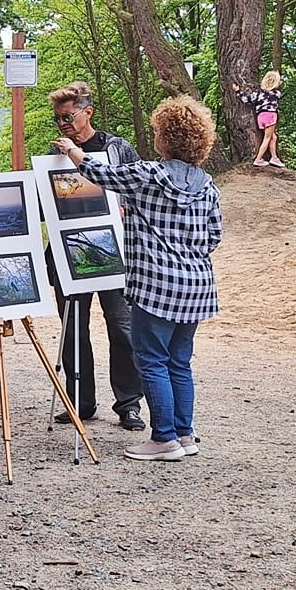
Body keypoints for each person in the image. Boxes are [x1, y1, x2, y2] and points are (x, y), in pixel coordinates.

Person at [65, 96, 222, 462]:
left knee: (151, 361)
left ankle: (163, 438)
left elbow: (102, 175)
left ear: (166, 139)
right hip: (196, 286)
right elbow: (214, 236)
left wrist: (74, 152)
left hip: (155, 286)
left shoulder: (149, 173)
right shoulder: (208, 185)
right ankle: (185, 435)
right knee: (179, 362)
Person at [48, 81, 146, 432]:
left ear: (88, 112)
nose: (63, 124)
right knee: (73, 327)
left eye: (68, 116)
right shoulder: (55, 154)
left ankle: (129, 404)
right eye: (58, 118)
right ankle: (80, 402)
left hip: (113, 251)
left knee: (122, 327)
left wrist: (124, 210)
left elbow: (138, 190)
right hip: (68, 251)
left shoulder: (116, 148)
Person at [235, 70, 284, 167]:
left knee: (273, 137)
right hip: (270, 116)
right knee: (267, 138)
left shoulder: (258, 93)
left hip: (261, 117)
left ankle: (274, 157)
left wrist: (238, 92)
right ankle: (258, 159)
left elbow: (247, 100)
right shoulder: (276, 94)